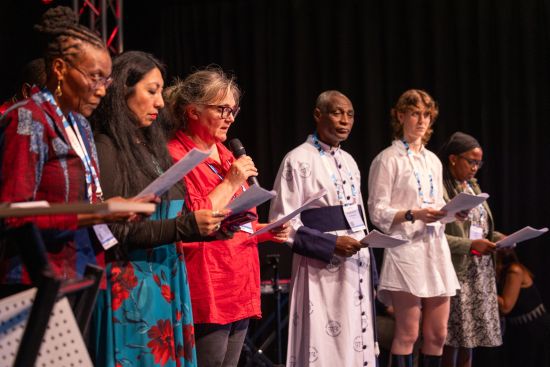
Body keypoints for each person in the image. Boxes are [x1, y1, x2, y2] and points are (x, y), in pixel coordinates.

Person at [90, 51, 229, 367]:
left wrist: (211, 226)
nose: (160, 102)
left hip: (166, 277)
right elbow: (117, 231)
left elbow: (173, 214)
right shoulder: (107, 147)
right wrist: (188, 226)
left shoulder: (150, 149)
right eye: (151, 91)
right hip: (134, 284)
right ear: (123, 90)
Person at [0, 6, 134, 287]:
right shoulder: (28, 119)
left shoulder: (81, 124)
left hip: (81, 267)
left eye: (106, 80)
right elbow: (13, 216)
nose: (101, 89)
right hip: (35, 277)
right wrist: (99, 212)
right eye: (95, 77)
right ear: (60, 68)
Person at [165, 67, 289, 367]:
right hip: (207, 280)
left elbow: (236, 220)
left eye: (233, 110)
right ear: (193, 110)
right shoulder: (174, 154)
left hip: (240, 277)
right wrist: (231, 182)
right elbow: (191, 219)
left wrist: (265, 230)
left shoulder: (226, 153)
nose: (230, 118)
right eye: (222, 109)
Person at [269, 90, 378, 367]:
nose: (345, 120)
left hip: (356, 266)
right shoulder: (297, 159)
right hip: (320, 266)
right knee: (324, 344)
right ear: (318, 115)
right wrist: (331, 245)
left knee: (356, 339)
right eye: (337, 112)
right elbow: (282, 222)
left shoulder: (351, 162)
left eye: (350, 114)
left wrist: (371, 265)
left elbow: (359, 218)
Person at [367, 89, 461, 367]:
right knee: (408, 332)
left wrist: (454, 212)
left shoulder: (432, 160)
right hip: (406, 251)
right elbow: (377, 211)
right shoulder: (387, 159)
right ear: (400, 115)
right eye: (415, 113)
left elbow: (437, 206)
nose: (422, 120)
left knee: (438, 334)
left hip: (435, 250)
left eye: (427, 115)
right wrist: (414, 213)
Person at [438, 132, 504, 367]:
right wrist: (469, 245)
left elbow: (478, 227)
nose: (476, 167)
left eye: (479, 163)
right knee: (452, 340)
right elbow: (436, 237)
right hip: (459, 273)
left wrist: (499, 238)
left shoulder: (473, 186)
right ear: (453, 159)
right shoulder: (442, 189)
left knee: (470, 341)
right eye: (471, 161)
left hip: (480, 272)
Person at [497, 248, 550, 367]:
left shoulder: (514, 270)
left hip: (536, 329)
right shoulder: (499, 273)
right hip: (519, 331)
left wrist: (483, 287)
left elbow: (505, 307)